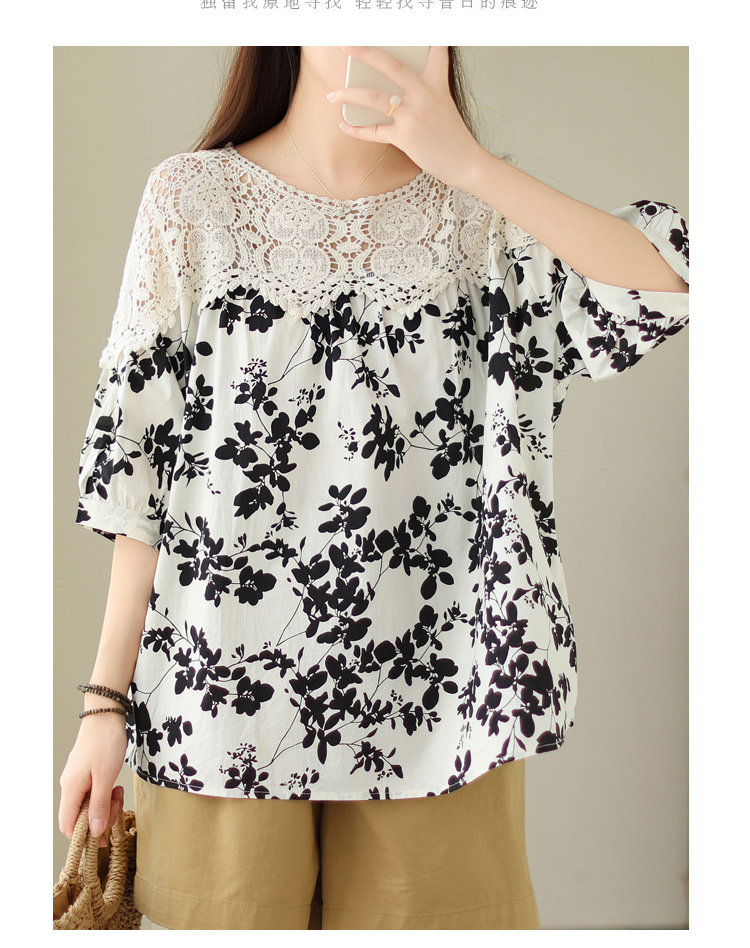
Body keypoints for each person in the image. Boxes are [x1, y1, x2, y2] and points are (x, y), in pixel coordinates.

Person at [58, 46, 689, 930]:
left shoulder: (481, 216)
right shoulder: (190, 201)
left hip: (445, 703)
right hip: (222, 693)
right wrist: (105, 705)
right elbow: (140, 473)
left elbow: (670, 283)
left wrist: (469, 165)